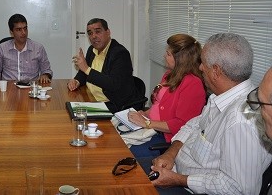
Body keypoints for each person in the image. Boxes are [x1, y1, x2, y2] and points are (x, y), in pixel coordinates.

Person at [145, 33, 272, 195]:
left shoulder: (241, 121)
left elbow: (238, 188)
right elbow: (193, 125)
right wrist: (170, 154)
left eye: (203, 63)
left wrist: (178, 179)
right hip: (175, 168)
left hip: (188, 187)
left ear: (216, 71)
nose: (200, 68)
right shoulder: (220, 97)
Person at [128, 34, 206, 157]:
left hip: (167, 138)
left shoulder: (193, 84)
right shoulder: (169, 74)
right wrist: (145, 114)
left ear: (181, 59)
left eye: (168, 54)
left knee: (127, 152)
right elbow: (159, 105)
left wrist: (146, 123)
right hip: (153, 129)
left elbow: (182, 125)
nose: (165, 56)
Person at [67, 18, 141, 112]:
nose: (93, 36)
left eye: (98, 31)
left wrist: (86, 69)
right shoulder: (92, 50)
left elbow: (113, 84)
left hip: (114, 104)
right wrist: (76, 81)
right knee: (69, 107)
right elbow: (84, 73)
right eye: (90, 33)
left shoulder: (120, 54)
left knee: (77, 114)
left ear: (108, 32)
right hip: (92, 98)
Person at [0, 13, 53, 84]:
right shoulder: (3, 48)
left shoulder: (38, 48)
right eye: (19, 29)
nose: (23, 33)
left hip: (31, 89)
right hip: (9, 89)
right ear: (11, 32)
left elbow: (47, 70)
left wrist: (45, 75)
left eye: (25, 28)